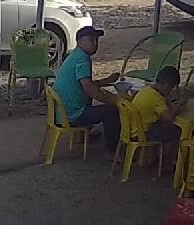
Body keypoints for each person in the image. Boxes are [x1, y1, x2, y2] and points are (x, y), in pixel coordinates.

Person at [52, 25, 120, 156]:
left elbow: (84, 84)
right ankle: (112, 151)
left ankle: (84, 135)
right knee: (112, 112)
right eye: (91, 40)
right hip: (72, 115)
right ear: (80, 41)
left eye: (96, 40)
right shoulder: (82, 59)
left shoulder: (75, 56)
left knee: (91, 100)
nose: (95, 43)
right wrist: (113, 100)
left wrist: (106, 81)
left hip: (62, 112)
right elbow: (89, 88)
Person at [132, 65, 186, 151]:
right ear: (167, 85)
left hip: (134, 128)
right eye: (172, 88)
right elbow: (169, 118)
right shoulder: (157, 98)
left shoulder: (147, 89)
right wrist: (179, 104)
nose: (171, 91)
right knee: (176, 132)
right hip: (143, 132)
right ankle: (167, 157)